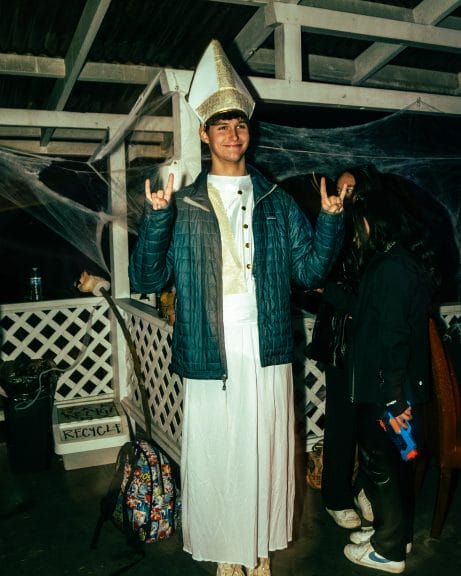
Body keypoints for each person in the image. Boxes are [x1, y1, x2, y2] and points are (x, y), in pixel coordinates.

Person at [129, 39, 345, 576]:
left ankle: (258, 546)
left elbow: (312, 272)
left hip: (266, 343)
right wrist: (156, 221)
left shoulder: (275, 201)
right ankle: (229, 552)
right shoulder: (184, 206)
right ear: (204, 134)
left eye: (240, 125)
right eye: (221, 126)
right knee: (220, 452)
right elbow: (147, 277)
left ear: (249, 132)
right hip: (209, 348)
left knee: (265, 450)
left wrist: (331, 220)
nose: (232, 134)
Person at [342, 173, 439, 573]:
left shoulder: (390, 268)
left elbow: (393, 338)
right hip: (394, 389)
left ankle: (388, 550)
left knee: (382, 466)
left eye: (359, 223)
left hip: (387, 392)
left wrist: (394, 400)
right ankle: (395, 532)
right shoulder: (399, 262)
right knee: (393, 465)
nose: (357, 233)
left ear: (373, 222)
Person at [319, 166, 381, 529]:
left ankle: (365, 489)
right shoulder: (332, 230)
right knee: (341, 423)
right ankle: (335, 497)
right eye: (340, 189)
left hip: (374, 343)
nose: (344, 195)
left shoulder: (379, 230)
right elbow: (321, 284)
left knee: (372, 425)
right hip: (343, 341)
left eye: (352, 188)